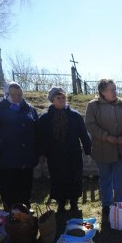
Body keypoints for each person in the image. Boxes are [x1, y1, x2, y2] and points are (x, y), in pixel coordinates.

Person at [0, 82, 38, 211]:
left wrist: (37, 152)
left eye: (19, 94)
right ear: (7, 94)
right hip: (6, 155)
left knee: (25, 183)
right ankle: (10, 210)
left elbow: (37, 131)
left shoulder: (29, 108)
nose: (17, 97)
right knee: (9, 184)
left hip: (26, 155)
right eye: (13, 94)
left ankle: (24, 209)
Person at [85, 79, 122, 220]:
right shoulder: (93, 106)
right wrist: (107, 137)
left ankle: (120, 205)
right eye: (111, 90)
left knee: (121, 181)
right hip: (103, 150)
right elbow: (90, 125)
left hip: (121, 149)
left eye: (115, 89)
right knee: (105, 179)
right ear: (102, 92)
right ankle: (107, 205)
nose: (115, 92)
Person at [38, 87, 92, 216]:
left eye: (63, 97)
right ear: (52, 100)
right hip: (55, 156)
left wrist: (88, 150)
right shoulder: (45, 118)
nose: (62, 100)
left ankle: (74, 203)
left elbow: (83, 134)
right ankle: (61, 204)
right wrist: (42, 154)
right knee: (58, 179)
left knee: (75, 178)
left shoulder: (75, 116)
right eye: (58, 98)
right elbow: (41, 138)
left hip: (73, 154)